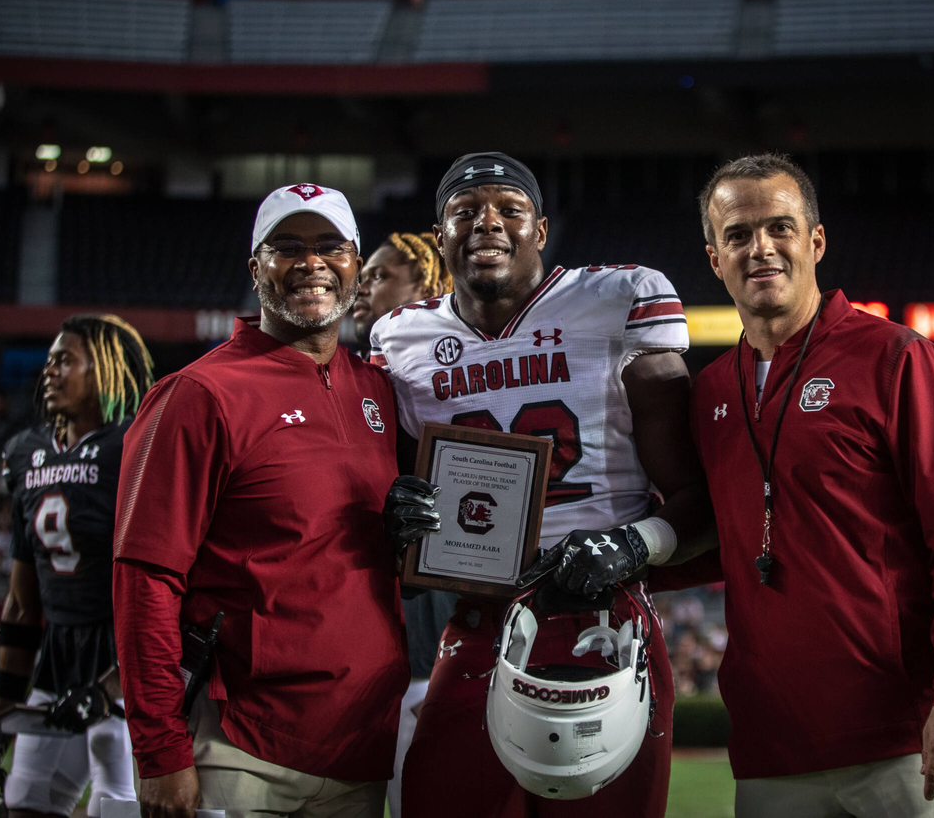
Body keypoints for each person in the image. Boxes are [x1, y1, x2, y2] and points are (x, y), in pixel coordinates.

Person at [372, 152, 712, 818]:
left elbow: (700, 502)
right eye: (464, 212)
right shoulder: (401, 339)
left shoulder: (618, 299)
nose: (486, 224)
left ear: (542, 229)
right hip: (476, 620)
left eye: (509, 209)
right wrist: (400, 514)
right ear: (440, 237)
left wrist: (632, 546)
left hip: (603, 619)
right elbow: (401, 518)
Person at [693, 153, 934, 817]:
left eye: (780, 227)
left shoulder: (893, 356)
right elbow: (701, 537)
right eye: (739, 235)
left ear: (816, 240)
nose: (762, 248)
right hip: (774, 750)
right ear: (715, 258)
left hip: (908, 735)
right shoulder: (713, 390)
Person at [112, 183, 408, 818]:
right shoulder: (198, 394)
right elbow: (144, 579)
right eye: (287, 247)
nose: (312, 263)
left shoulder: (380, 390)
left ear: (356, 262)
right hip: (241, 748)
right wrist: (160, 751)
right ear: (256, 267)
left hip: (360, 751)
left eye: (331, 246)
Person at [0, 314, 154, 818]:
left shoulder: (135, 446)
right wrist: (0, 717)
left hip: (127, 652)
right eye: (48, 361)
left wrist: (116, 681)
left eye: (66, 360)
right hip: (58, 654)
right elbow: (22, 605)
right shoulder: (27, 454)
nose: (50, 371)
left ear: (107, 369)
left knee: (118, 804)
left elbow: (168, 582)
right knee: (25, 801)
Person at [352, 230, 458, 818]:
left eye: (381, 274)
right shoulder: (352, 375)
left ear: (425, 281)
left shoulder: (441, 377)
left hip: (431, 624)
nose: (364, 283)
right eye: (363, 275)